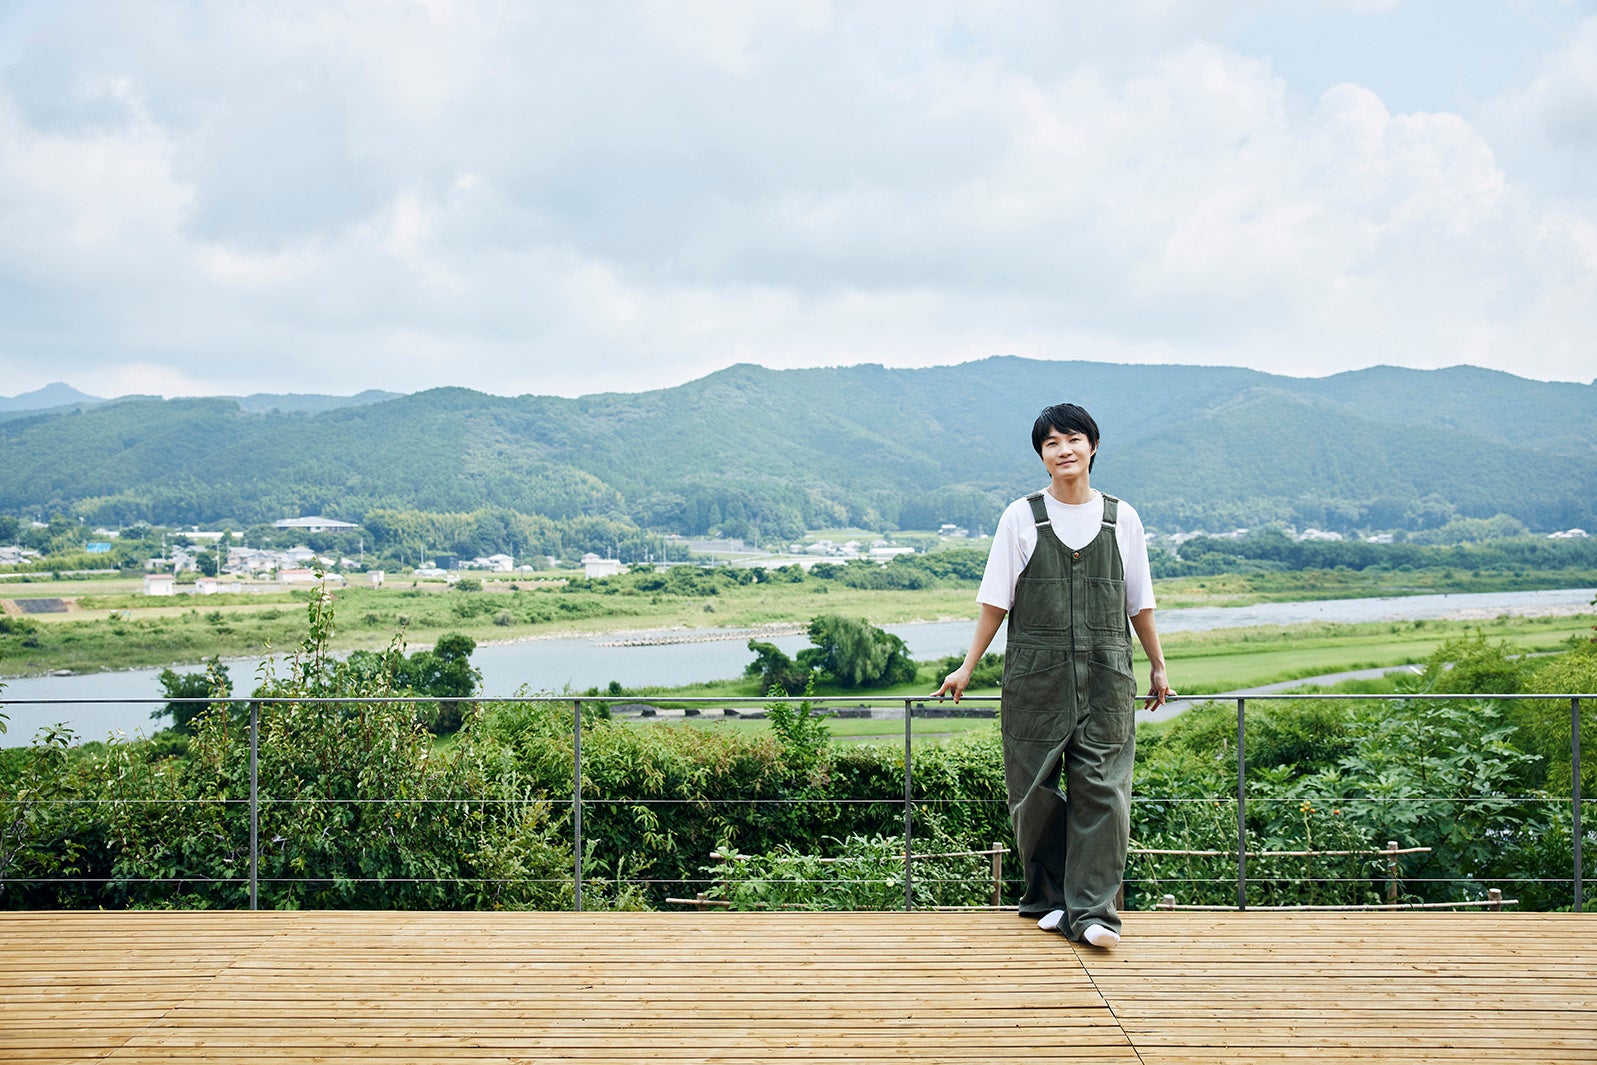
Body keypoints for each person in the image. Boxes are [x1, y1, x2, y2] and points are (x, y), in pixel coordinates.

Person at [933, 402, 1172, 948]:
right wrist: (967, 667)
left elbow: (1140, 603)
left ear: (1092, 446)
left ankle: (1093, 914)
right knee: (1031, 790)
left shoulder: (1122, 518)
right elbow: (996, 600)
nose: (1063, 450)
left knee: (1104, 792)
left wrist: (1158, 665)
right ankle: (1051, 897)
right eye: (1051, 444)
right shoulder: (1021, 517)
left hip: (1108, 675)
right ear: (1042, 457)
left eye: (1073, 439)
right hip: (1034, 677)